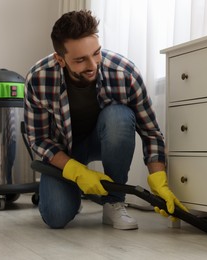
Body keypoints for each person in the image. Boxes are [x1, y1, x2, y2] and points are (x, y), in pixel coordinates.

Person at [24, 10, 187, 230]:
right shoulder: (39, 78)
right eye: (80, 60)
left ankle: (114, 202)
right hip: (65, 150)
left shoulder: (124, 73)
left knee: (119, 116)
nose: (92, 65)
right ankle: (73, 192)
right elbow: (39, 139)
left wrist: (159, 179)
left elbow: (150, 132)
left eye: (96, 53)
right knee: (56, 216)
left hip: (104, 137)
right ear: (60, 59)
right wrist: (76, 171)